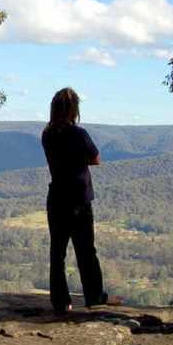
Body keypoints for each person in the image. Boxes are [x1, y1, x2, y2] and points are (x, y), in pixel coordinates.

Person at [41, 87, 108, 313]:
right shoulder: (79, 134)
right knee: (86, 251)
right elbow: (96, 159)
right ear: (74, 109)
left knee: (57, 252)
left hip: (57, 198)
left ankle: (61, 302)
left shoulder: (47, 134)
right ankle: (94, 297)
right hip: (79, 200)